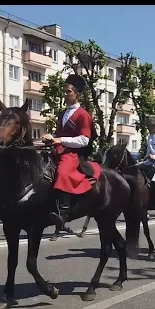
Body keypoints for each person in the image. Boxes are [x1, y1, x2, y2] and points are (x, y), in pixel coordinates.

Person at [41, 74, 98, 230]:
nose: (65, 94)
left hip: (73, 153)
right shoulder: (63, 113)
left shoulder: (83, 115)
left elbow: (84, 140)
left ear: (77, 94)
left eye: (68, 92)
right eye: (65, 91)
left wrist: (61, 140)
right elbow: (58, 134)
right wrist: (51, 137)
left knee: (63, 172)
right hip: (57, 149)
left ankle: (64, 213)